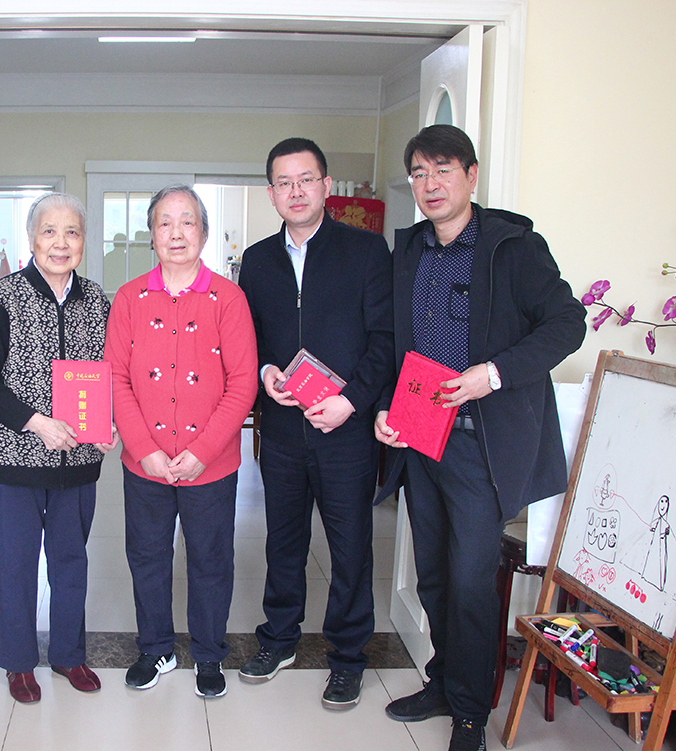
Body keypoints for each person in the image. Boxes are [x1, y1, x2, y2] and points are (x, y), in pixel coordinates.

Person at [374, 124, 585, 751]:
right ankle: (443, 682)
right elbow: (398, 344)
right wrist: (387, 410)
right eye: (419, 173)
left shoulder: (513, 247)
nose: (430, 184)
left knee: (470, 581)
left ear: (470, 175)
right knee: (434, 576)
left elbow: (567, 324)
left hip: (479, 444)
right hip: (420, 436)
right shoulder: (409, 250)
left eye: (443, 170)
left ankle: (470, 713)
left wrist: (491, 375)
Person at [236, 137, 393, 710]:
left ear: (326, 186)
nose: (296, 191)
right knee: (283, 541)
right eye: (284, 182)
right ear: (271, 193)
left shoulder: (366, 251)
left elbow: (385, 341)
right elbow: (247, 339)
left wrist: (351, 401)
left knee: (350, 549)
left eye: (306, 180)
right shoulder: (257, 260)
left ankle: (348, 658)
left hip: (345, 431)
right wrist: (265, 372)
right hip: (281, 431)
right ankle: (278, 639)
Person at [104, 185, 257, 699]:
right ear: (152, 235)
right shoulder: (129, 298)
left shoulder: (228, 298)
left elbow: (243, 383)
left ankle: (209, 654)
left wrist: (202, 451)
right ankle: (156, 649)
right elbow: (115, 377)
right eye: (165, 222)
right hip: (143, 462)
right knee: (147, 556)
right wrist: (143, 447)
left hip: (211, 464)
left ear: (203, 233)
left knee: (211, 560)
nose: (176, 232)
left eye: (187, 221)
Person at [0, 193, 115, 704]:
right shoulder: (2, 297)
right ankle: (18, 661)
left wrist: (109, 421)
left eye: (72, 232)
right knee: (15, 564)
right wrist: (35, 423)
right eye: (50, 231)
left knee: (71, 562)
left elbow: (110, 375)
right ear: (32, 239)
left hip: (77, 462)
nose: (61, 243)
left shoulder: (97, 302)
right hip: (14, 460)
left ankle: (69, 653)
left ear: (83, 241)